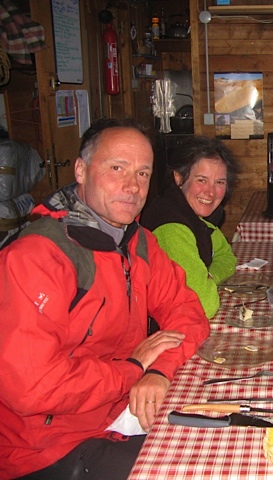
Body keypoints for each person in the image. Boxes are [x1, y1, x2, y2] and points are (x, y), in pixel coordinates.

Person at [0, 118, 210, 480]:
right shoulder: (37, 256)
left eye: (143, 173)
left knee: (220, 443)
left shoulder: (138, 241)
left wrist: (159, 370)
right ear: (81, 170)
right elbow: (32, 388)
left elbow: (188, 312)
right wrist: (131, 370)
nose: (132, 186)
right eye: (117, 168)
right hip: (46, 448)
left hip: (120, 413)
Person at [141, 136, 237, 319]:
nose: (210, 192)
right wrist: (205, 283)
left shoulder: (195, 218)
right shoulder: (172, 228)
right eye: (201, 180)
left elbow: (227, 257)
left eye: (220, 182)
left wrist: (208, 276)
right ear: (179, 178)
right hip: (162, 333)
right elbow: (201, 306)